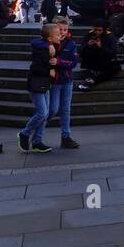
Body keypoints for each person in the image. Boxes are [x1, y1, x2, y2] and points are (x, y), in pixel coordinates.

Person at [19, 22, 59, 154]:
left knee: (45, 113)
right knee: (42, 113)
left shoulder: (50, 46)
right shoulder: (43, 49)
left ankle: (37, 141)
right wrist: (49, 71)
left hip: (45, 83)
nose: (60, 36)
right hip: (36, 84)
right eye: (57, 34)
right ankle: (25, 133)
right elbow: (36, 67)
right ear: (49, 38)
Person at [50, 17, 79, 149]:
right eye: (59, 29)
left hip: (66, 80)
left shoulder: (71, 43)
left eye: (65, 30)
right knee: (52, 110)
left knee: (65, 109)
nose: (62, 32)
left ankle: (65, 136)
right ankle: (32, 132)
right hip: (54, 81)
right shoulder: (49, 43)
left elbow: (73, 63)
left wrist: (59, 62)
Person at [77, 21, 122, 92]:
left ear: (104, 30)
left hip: (104, 61)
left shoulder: (110, 36)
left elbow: (113, 54)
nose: (97, 32)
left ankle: (92, 81)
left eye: (99, 30)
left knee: (116, 67)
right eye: (95, 30)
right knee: (89, 49)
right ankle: (91, 76)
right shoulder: (89, 34)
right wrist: (87, 45)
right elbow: (80, 52)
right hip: (90, 62)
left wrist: (101, 47)